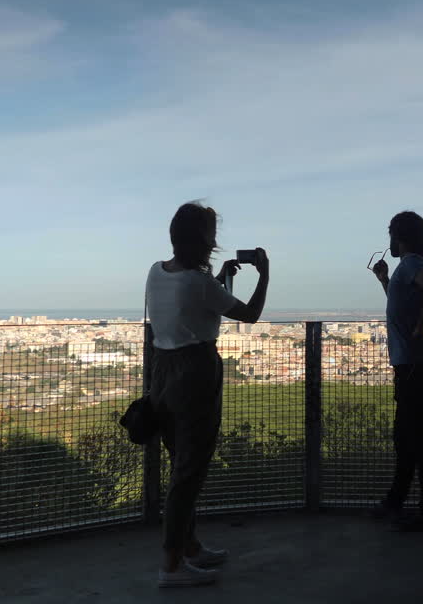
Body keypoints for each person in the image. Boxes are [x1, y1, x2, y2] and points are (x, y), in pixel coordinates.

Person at [145, 201, 269, 587]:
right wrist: (265, 275)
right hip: (195, 372)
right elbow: (249, 315)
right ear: (203, 238)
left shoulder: (156, 272)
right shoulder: (199, 282)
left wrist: (220, 278)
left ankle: (190, 547)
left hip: (161, 371)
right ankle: (171, 565)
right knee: (189, 472)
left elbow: (198, 304)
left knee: (180, 463)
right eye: (212, 233)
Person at [369, 211, 423, 532]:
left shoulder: (412, 263)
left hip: (415, 365)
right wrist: (385, 281)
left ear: (398, 237)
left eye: (391, 236)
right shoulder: (405, 269)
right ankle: (395, 502)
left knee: (418, 439)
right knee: (407, 437)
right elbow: (402, 304)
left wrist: (422, 326)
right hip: (413, 365)